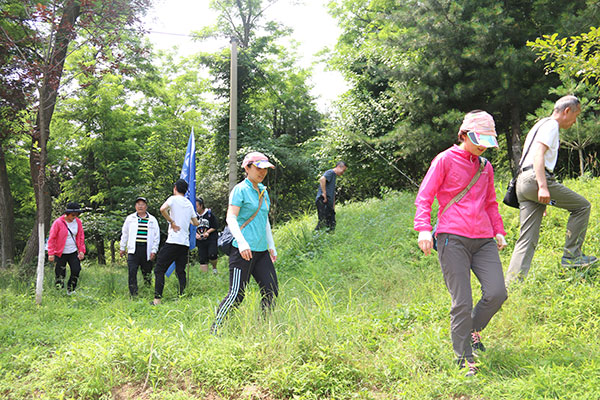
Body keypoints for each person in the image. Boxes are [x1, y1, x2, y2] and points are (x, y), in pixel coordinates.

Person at [414, 111, 508, 377]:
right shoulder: (444, 159)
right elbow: (425, 196)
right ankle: (464, 357)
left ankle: (472, 329)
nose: (482, 147)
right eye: (478, 140)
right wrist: (423, 228)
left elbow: (490, 202)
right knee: (462, 302)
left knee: (497, 293)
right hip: (451, 237)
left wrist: (498, 231)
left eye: (486, 142)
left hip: (484, 239)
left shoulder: (485, 167)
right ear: (464, 135)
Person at [506, 95, 597, 284]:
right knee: (582, 207)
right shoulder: (551, 126)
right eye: (575, 116)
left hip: (522, 181)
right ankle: (572, 256)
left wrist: (540, 194)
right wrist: (542, 186)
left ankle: (512, 284)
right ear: (567, 111)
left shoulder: (539, 125)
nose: (574, 122)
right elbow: (538, 155)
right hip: (535, 178)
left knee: (527, 237)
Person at [211, 151, 278, 334]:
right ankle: (215, 330)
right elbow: (231, 218)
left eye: (265, 169)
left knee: (271, 290)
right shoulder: (240, 189)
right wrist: (242, 243)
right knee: (236, 295)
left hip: (261, 251)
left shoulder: (263, 191)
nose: (262, 172)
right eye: (258, 168)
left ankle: (263, 328)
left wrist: (271, 245)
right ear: (247, 168)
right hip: (242, 251)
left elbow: (264, 219)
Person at [151, 179, 200, 305]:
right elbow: (196, 223)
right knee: (180, 270)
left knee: (159, 269)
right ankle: (182, 296)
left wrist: (172, 221)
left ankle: (157, 300)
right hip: (184, 244)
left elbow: (162, 209)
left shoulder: (173, 199)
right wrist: (186, 220)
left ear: (175, 188)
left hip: (173, 241)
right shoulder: (189, 204)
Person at [119, 196, 160, 296]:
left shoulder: (152, 219)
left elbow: (156, 236)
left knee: (147, 272)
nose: (140, 206)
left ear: (146, 206)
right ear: (135, 206)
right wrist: (122, 247)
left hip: (146, 249)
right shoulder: (130, 218)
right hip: (133, 249)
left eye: (142, 204)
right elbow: (125, 234)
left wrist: (154, 250)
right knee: (132, 271)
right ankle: (133, 294)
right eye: (138, 204)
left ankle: (147, 291)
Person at [47, 202, 86, 294]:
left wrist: (81, 251)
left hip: (73, 251)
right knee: (60, 273)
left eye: (77, 215)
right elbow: (52, 238)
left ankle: (71, 290)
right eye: (73, 215)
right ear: (67, 213)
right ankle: (59, 291)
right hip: (60, 253)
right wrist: (51, 253)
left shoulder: (78, 222)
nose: (74, 217)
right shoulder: (58, 222)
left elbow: (81, 237)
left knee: (76, 270)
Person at [315, 161, 347, 231]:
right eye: (343, 170)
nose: (343, 173)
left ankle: (329, 236)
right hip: (322, 200)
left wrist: (333, 205)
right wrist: (324, 193)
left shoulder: (334, 176)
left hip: (328, 202)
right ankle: (315, 235)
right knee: (323, 221)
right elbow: (322, 179)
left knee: (331, 222)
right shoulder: (330, 172)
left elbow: (332, 192)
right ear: (338, 167)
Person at [195, 197, 219, 274]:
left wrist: (207, 232)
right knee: (202, 258)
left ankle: (214, 268)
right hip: (200, 240)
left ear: (201, 205)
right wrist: (195, 234)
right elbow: (190, 228)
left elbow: (215, 226)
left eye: (196, 206)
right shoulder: (193, 216)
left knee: (212, 254)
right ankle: (205, 276)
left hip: (211, 238)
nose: (195, 208)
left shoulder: (209, 214)